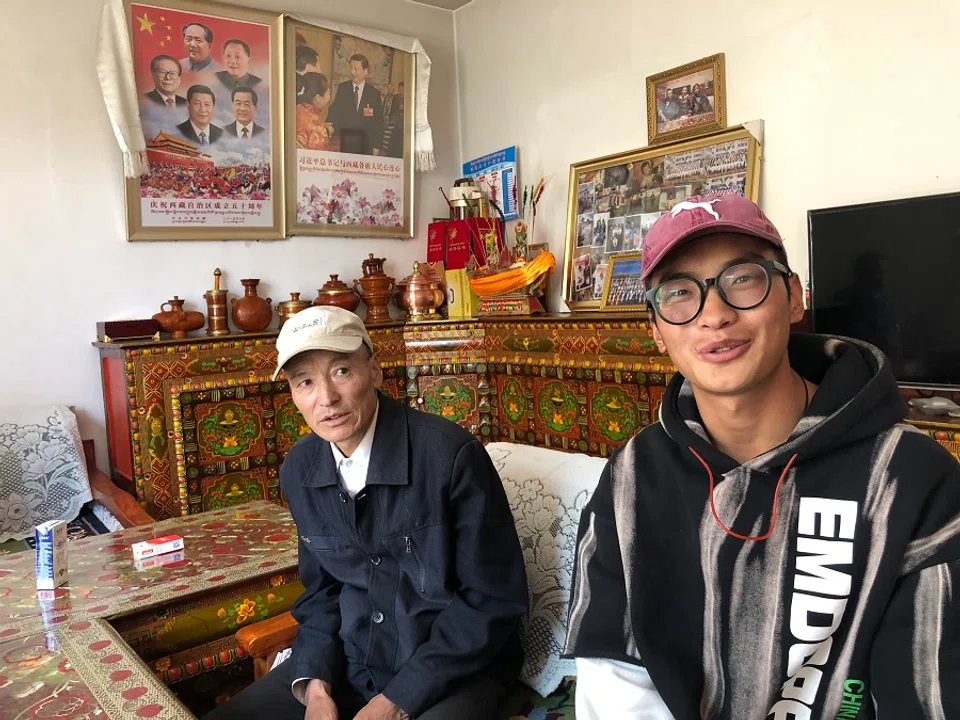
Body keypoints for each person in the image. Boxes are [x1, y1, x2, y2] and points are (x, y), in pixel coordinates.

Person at [564, 194, 960, 719]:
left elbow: (924, 692)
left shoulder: (910, 479)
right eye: (681, 292)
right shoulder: (635, 474)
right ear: (657, 330)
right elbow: (614, 674)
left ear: (794, 297)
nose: (715, 314)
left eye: (743, 278)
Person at [205, 307, 528, 720]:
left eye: (341, 371)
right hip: (351, 662)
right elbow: (322, 592)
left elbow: (491, 599)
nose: (326, 398)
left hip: (453, 669)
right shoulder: (300, 470)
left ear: (374, 371)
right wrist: (315, 685)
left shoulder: (451, 457)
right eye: (305, 381)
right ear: (293, 395)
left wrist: (396, 702)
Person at [326, 53, 384, 156]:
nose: (353, 72)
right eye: (351, 68)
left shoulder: (373, 94)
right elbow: (335, 110)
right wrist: (329, 124)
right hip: (344, 141)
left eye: (356, 69)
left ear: (365, 71)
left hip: (366, 144)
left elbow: (378, 122)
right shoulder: (343, 88)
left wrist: (377, 145)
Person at [295, 72, 334, 150]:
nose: (329, 95)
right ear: (318, 98)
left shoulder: (298, 109)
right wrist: (326, 131)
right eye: (328, 93)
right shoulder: (319, 132)